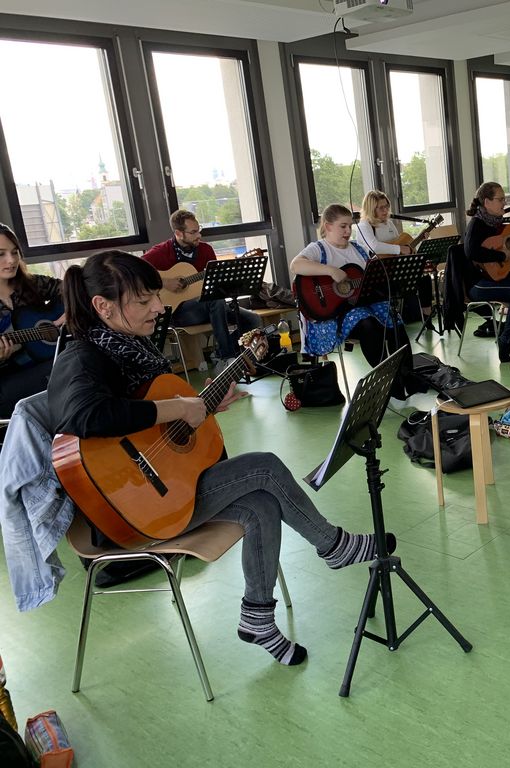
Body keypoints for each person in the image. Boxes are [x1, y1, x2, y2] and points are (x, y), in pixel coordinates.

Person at [47, 250, 393, 666]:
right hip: (128, 511)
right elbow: (85, 415)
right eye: (143, 300)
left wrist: (202, 405)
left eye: (155, 296)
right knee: (263, 465)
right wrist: (179, 408)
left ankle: (257, 618)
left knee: (262, 503)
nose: (158, 307)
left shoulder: (131, 348)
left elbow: (156, 427)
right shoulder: (83, 356)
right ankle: (332, 545)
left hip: (165, 491)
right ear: (102, 307)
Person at [290, 203, 424, 403]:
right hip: (338, 313)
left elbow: (371, 276)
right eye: (342, 226)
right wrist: (331, 271)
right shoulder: (318, 248)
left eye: (349, 226)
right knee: (368, 324)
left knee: (394, 319)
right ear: (327, 227)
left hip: (363, 303)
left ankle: (407, 376)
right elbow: (296, 265)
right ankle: (388, 382)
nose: (347, 231)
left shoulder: (359, 249)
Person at [142, 209, 260, 373]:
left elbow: (215, 285)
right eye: (193, 232)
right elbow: (136, 272)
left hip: (211, 306)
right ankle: (226, 358)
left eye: (199, 230)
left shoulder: (206, 250)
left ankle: (220, 353)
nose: (199, 235)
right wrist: (164, 282)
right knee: (214, 300)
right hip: (178, 312)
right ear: (178, 233)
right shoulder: (161, 252)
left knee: (252, 320)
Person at [462, 182, 510, 363]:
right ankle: (506, 341)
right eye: (500, 199)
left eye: (504, 199)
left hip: (494, 275)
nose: (504, 202)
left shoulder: (495, 223)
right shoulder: (477, 224)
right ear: (486, 202)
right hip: (477, 283)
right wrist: (501, 254)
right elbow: (471, 252)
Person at [0, 223, 64, 420]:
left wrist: (70, 313)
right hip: (12, 378)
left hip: (49, 362)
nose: (11, 260)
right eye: (0, 254)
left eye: (14, 252)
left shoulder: (31, 283)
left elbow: (73, 288)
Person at [354, 190, 434, 327]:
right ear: (371, 208)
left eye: (386, 206)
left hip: (395, 269)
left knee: (424, 278)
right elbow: (374, 247)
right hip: (377, 275)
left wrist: (419, 241)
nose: (385, 210)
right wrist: (399, 249)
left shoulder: (389, 224)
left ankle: (426, 315)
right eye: (381, 207)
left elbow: (402, 246)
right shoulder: (364, 226)